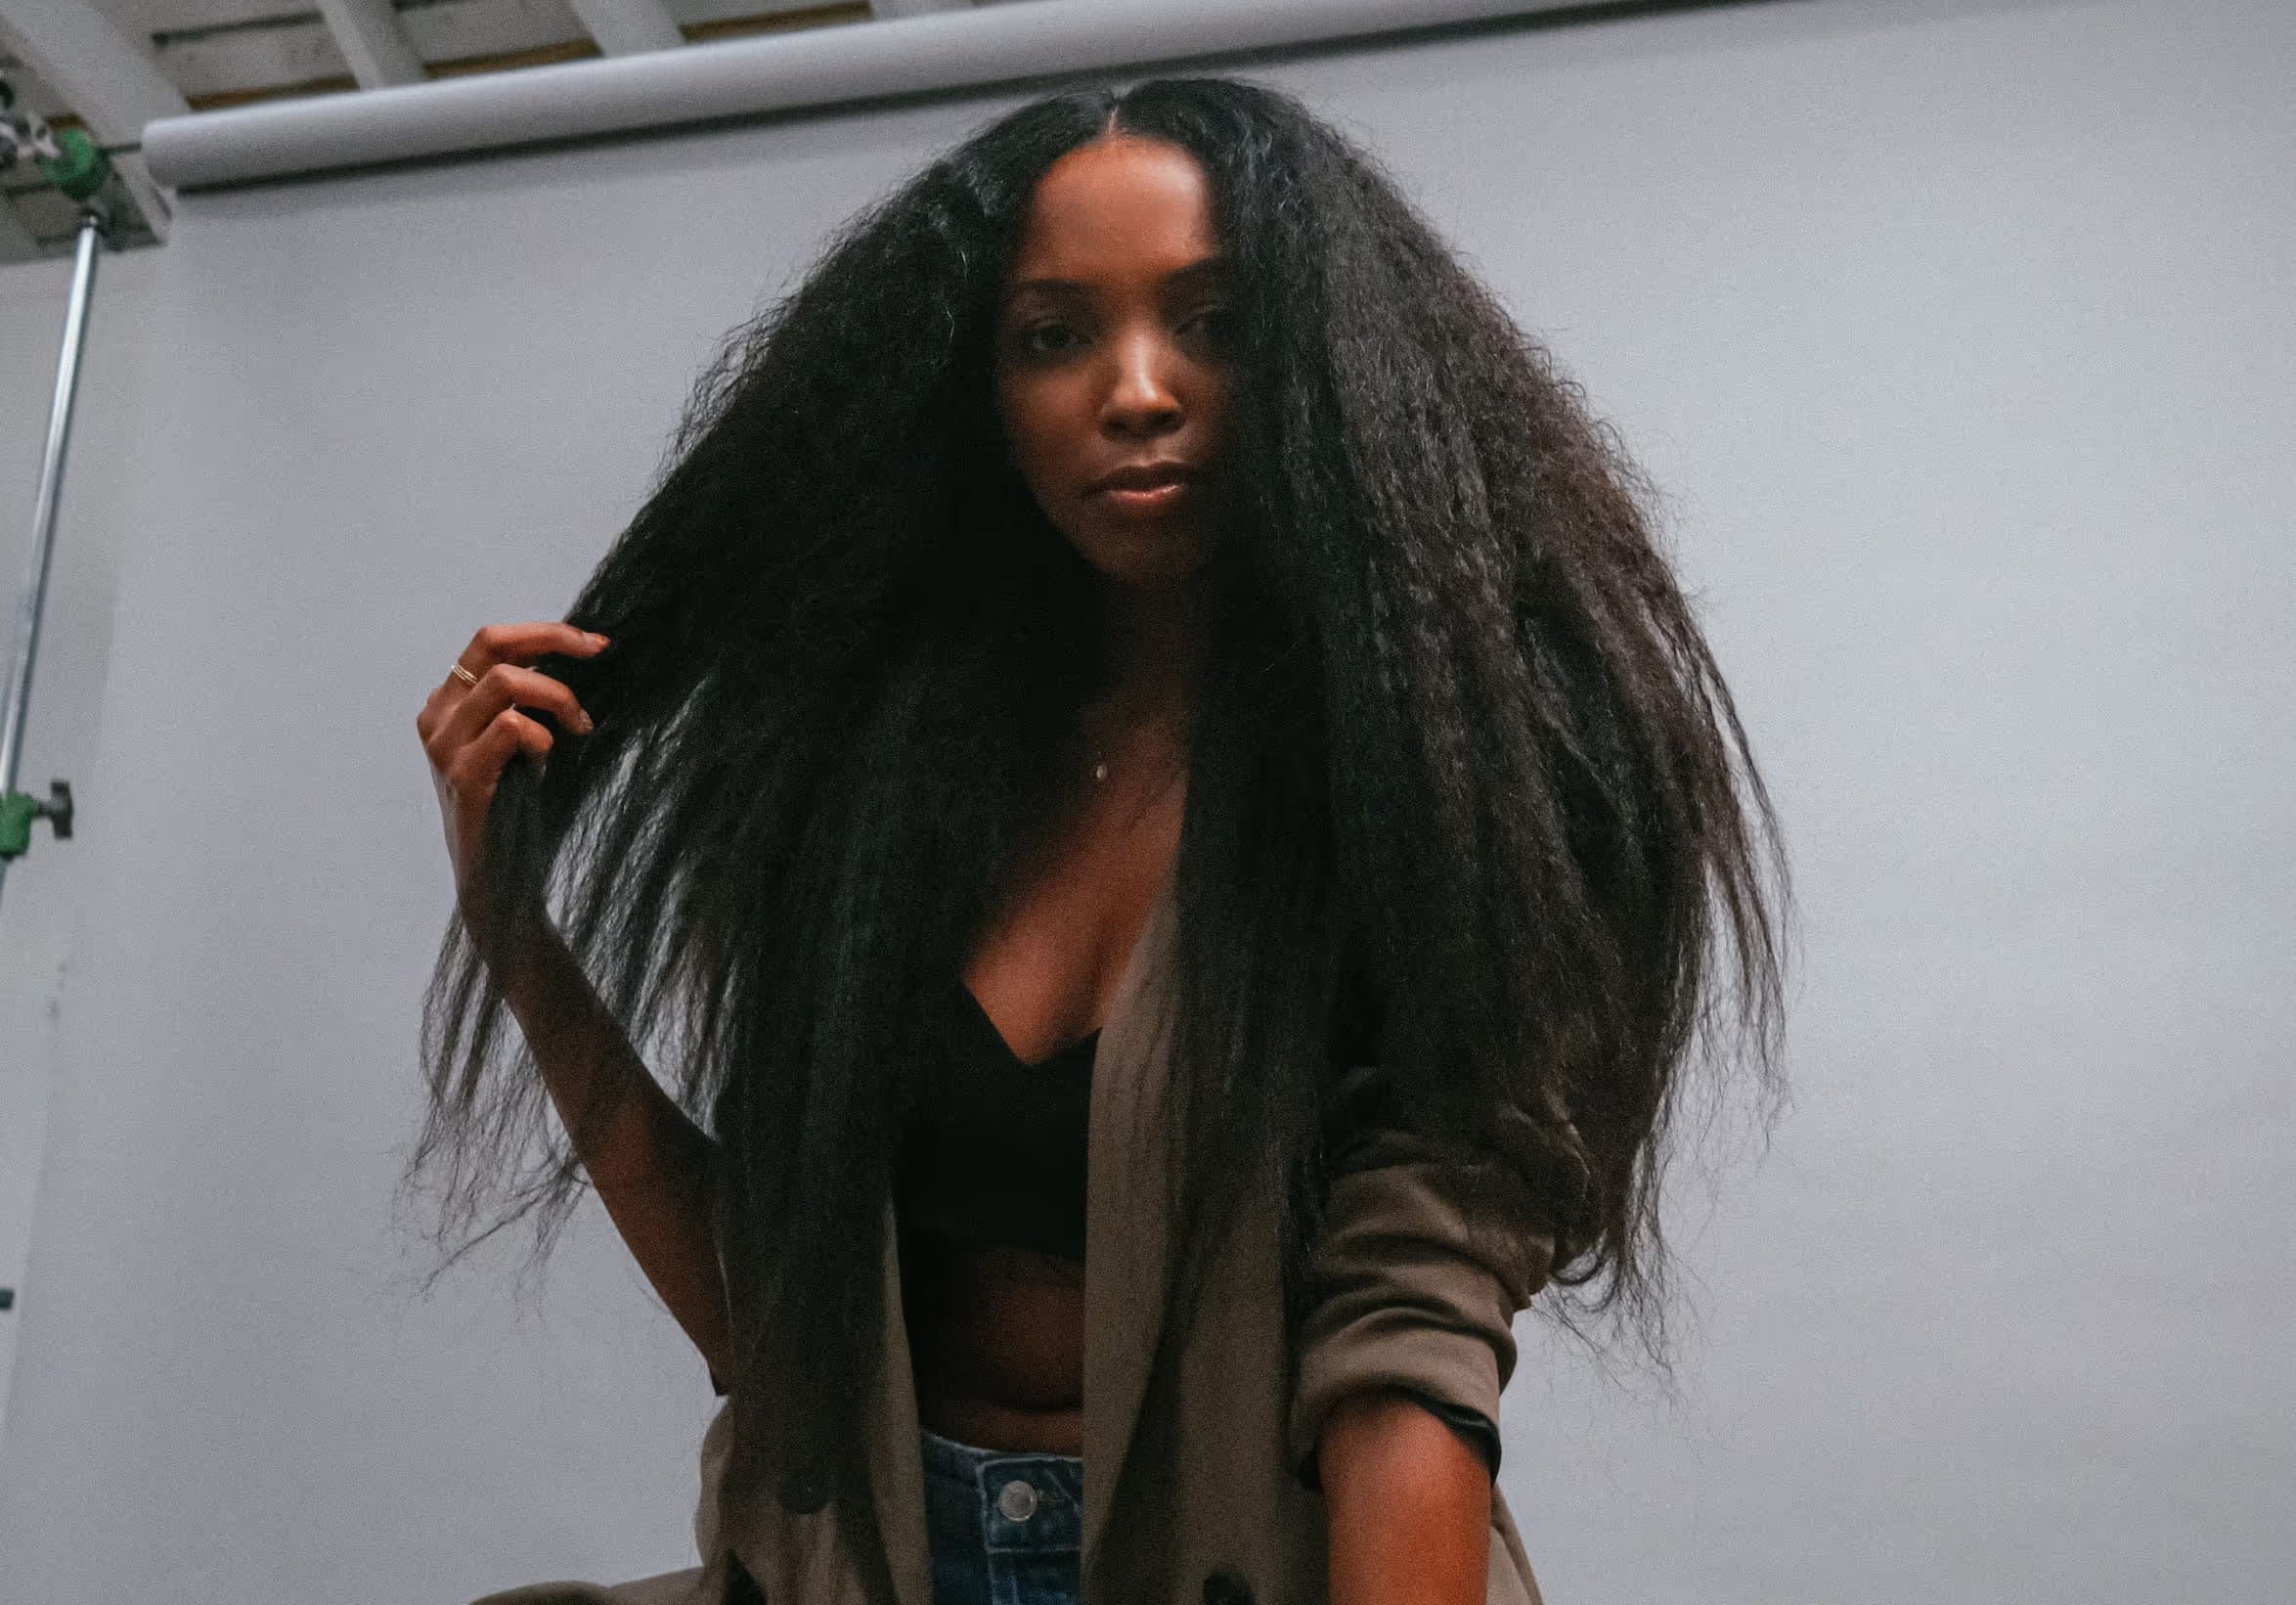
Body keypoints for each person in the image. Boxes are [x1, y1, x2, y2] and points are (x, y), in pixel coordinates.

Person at [411, 77, 1785, 1605]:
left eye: (1215, 320)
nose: (1137, 389)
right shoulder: (881, 776)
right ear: (980, 393)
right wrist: (513, 928)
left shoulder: (1444, 792)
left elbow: (1412, 1341)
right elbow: (777, 1329)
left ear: (1324, 358)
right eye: (1053, 336)